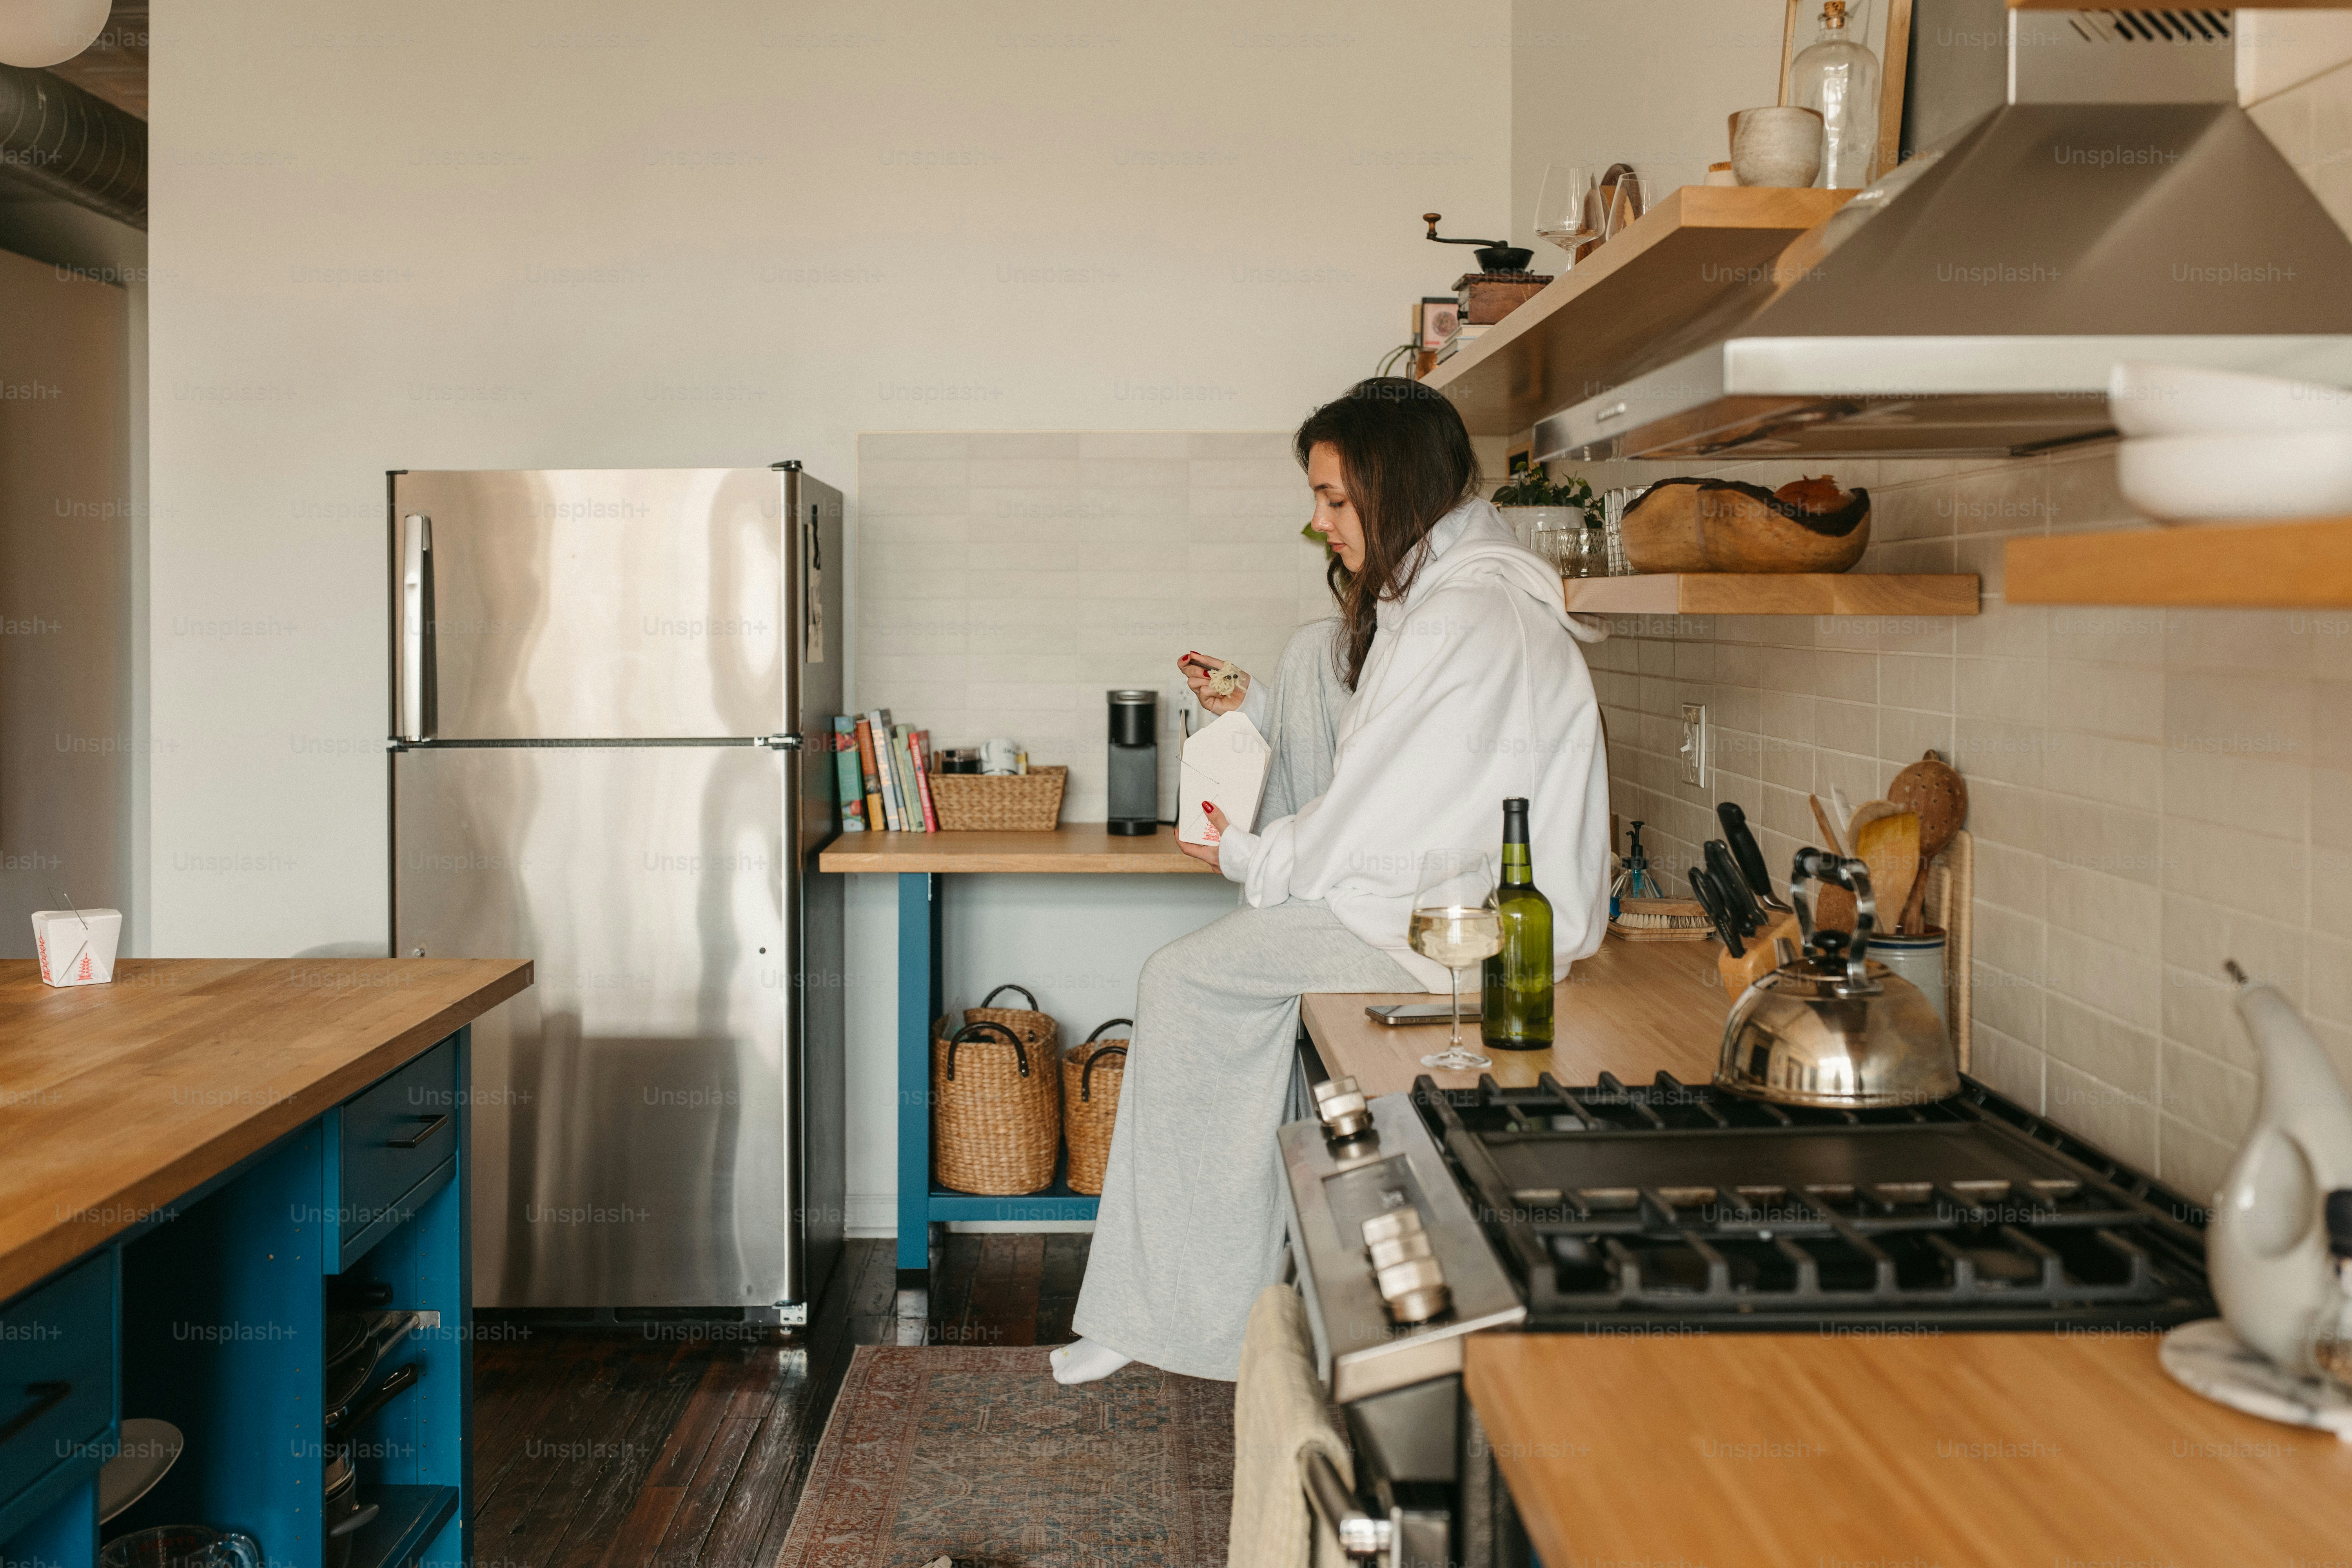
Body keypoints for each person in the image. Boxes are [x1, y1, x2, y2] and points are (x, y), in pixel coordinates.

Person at [1050, 377, 1612, 1386]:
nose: (1317, 523)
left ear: (1394, 488)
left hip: (1459, 921)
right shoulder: (1451, 592)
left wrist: (1250, 856)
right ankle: (1195, 1297)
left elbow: (1380, 812)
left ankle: (1179, 1319)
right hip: (1435, 892)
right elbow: (1376, 770)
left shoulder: (1460, 619)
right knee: (1310, 666)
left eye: (1334, 500)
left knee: (1185, 980)